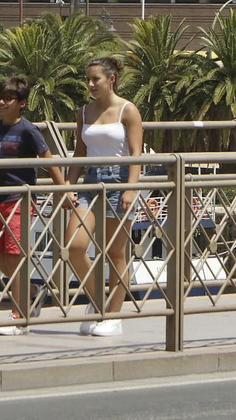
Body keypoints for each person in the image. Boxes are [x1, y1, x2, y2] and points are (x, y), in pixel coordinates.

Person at [0, 75, 68, 336]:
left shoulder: (29, 130)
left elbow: (48, 160)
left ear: (22, 103)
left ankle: (19, 316)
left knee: (16, 256)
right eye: (0, 97)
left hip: (21, 198)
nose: (2, 102)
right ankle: (31, 290)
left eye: (8, 99)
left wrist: (62, 189)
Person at [65, 56, 144, 337]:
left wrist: (131, 188)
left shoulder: (128, 110)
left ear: (111, 80)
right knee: (74, 246)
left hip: (119, 180)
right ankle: (98, 303)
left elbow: (136, 153)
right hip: (90, 181)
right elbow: (80, 153)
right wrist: (67, 186)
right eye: (87, 79)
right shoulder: (84, 112)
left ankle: (113, 315)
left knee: (115, 253)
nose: (90, 84)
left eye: (95, 79)